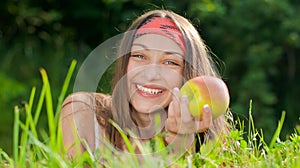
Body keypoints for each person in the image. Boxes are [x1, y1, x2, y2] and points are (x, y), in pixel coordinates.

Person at [61, 9, 230, 159]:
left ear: (189, 75)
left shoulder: (208, 142)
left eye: (170, 62)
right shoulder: (86, 111)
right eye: (139, 56)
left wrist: (181, 141)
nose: (150, 75)